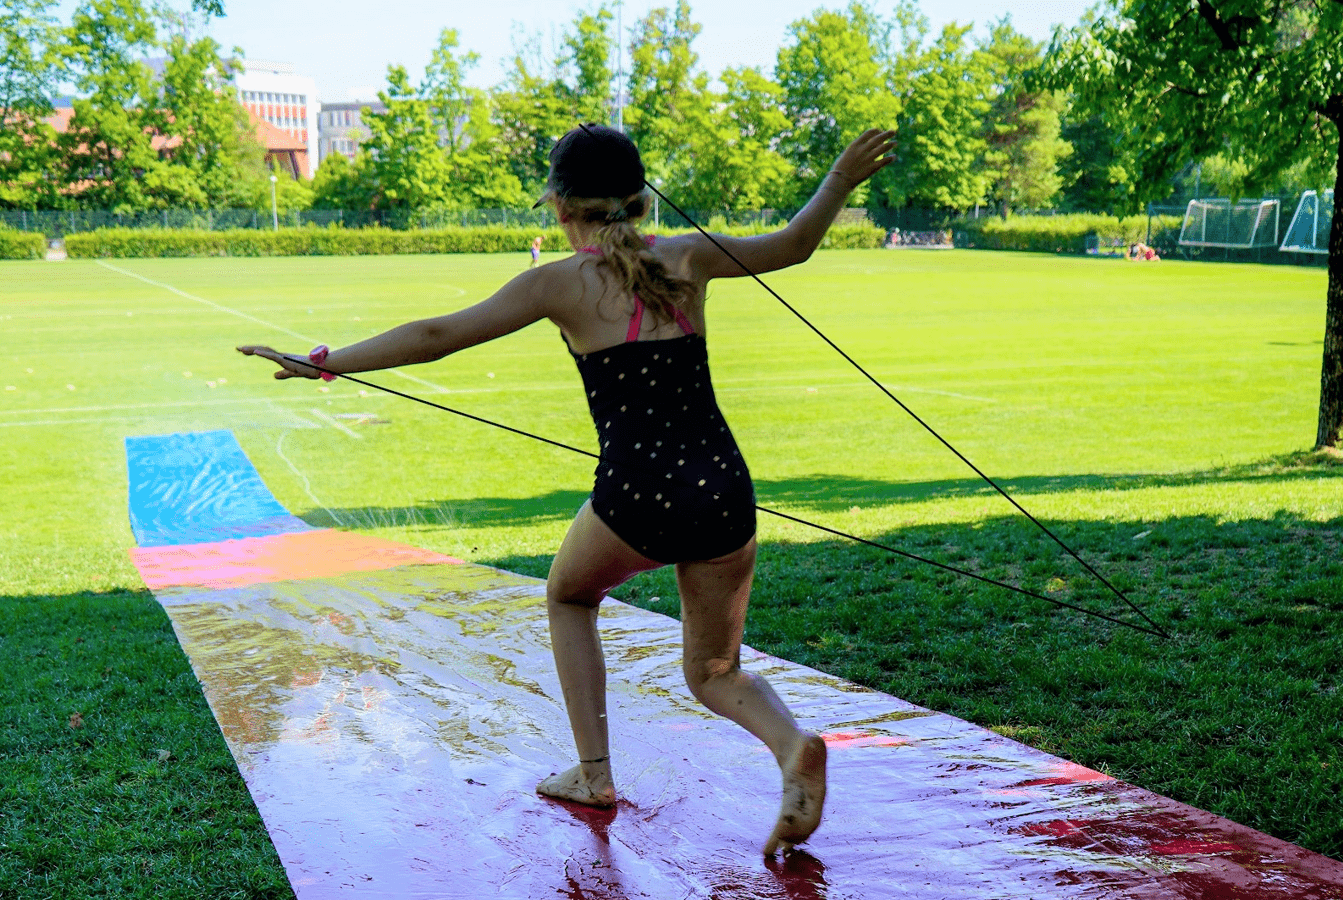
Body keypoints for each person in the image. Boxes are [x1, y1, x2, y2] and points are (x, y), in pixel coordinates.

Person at [238, 124, 895, 855]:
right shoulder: (687, 256)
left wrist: (324, 362)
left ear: (557, 203)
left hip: (637, 492)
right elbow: (792, 244)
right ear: (640, 198)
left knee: (568, 596)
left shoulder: (557, 282)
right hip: (722, 489)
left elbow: (434, 334)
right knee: (715, 672)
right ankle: (789, 742)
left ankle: (592, 774)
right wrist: (837, 177)